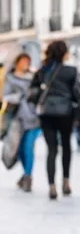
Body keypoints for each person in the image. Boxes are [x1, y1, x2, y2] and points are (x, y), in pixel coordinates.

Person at [29, 41, 80, 200]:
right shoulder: (71, 71)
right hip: (65, 114)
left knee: (52, 149)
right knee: (66, 147)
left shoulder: (42, 71)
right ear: (63, 53)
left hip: (47, 114)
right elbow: (79, 96)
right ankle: (66, 182)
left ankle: (52, 186)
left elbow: (31, 94)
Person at [2, 53, 40, 191]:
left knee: (28, 147)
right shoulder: (10, 78)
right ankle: (25, 174)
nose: (25, 64)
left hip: (34, 118)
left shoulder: (34, 77)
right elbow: (6, 96)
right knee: (20, 150)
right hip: (17, 118)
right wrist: (19, 96)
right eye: (23, 61)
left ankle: (28, 177)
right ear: (17, 62)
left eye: (27, 61)